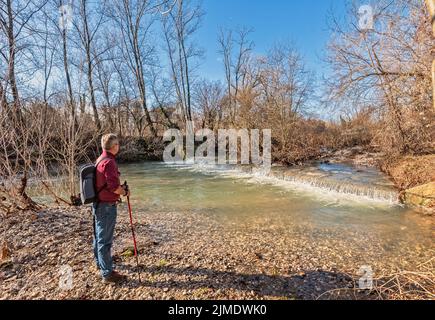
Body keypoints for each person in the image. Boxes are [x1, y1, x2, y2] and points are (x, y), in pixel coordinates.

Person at [93, 133, 130, 283]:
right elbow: (114, 188)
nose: (118, 146)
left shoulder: (100, 159)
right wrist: (125, 191)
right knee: (105, 241)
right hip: (107, 206)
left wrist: (120, 189)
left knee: (98, 237)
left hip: (98, 203)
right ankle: (107, 274)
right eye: (117, 144)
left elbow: (106, 184)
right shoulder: (109, 162)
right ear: (114, 147)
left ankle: (100, 265)